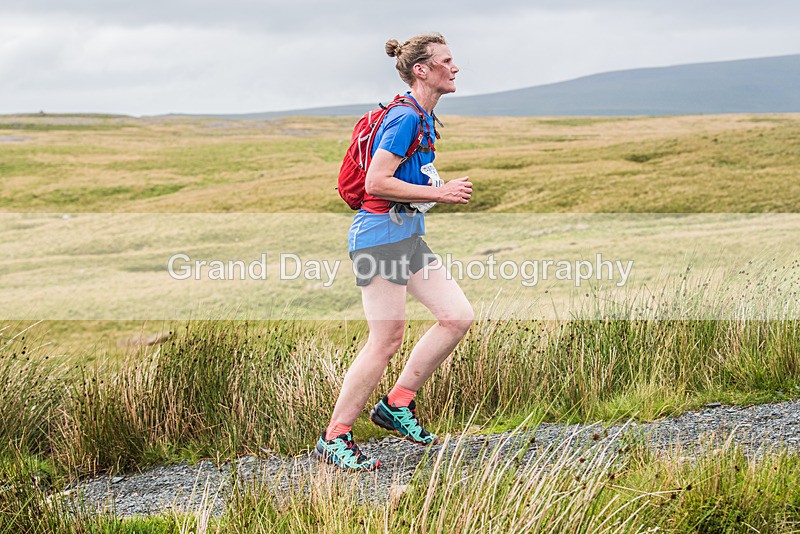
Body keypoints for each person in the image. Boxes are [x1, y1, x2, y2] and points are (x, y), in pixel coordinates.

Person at [314, 33, 475, 471]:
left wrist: (429, 194)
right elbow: (376, 183)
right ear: (421, 70)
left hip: (405, 236)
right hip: (379, 235)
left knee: (457, 316)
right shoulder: (405, 118)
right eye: (447, 60)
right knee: (385, 340)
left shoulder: (423, 117)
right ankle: (335, 436)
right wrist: (438, 193)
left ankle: (396, 403)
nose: (455, 67)